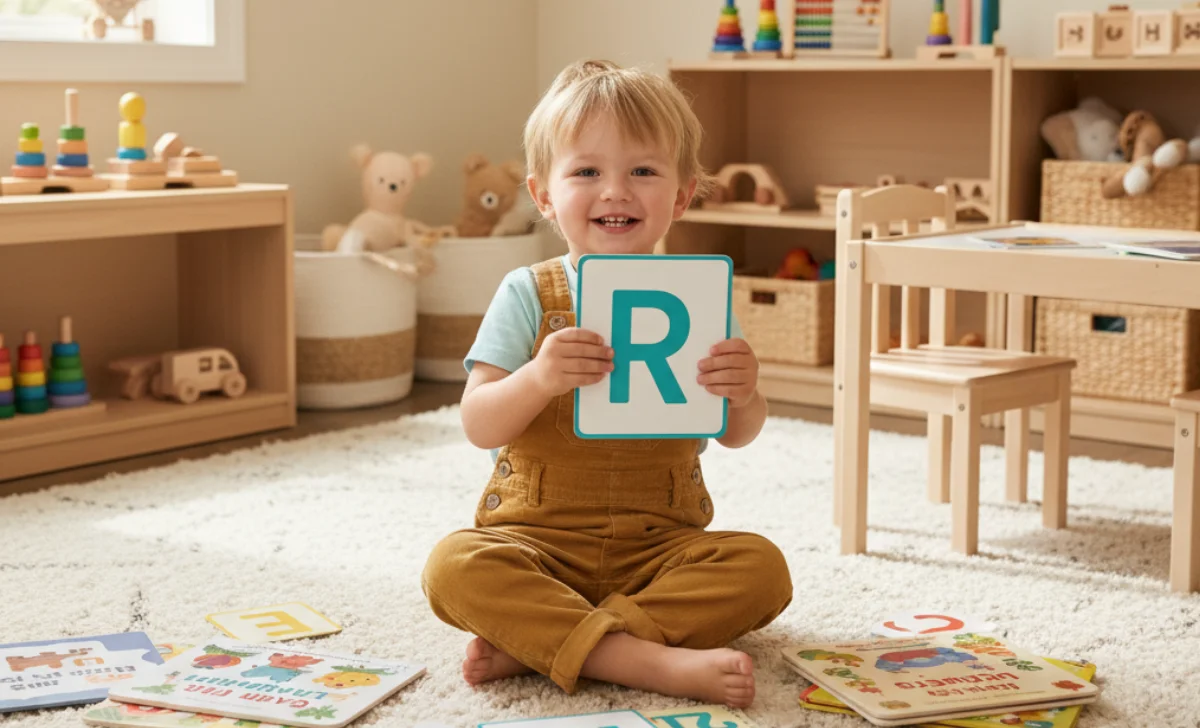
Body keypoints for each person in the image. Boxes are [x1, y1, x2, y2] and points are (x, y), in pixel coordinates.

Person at [421, 59, 792, 709]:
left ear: (681, 196)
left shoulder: (700, 296)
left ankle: (552, 643)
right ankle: (643, 660)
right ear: (543, 195)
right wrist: (539, 377)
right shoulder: (528, 293)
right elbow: (479, 421)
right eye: (587, 171)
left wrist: (746, 393)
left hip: (661, 550)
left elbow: (736, 433)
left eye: (643, 171)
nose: (615, 191)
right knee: (452, 567)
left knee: (762, 569)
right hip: (535, 544)